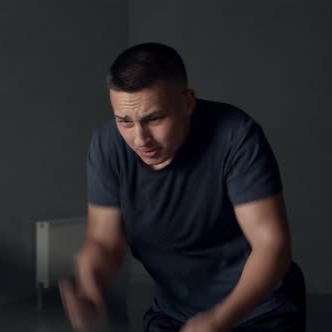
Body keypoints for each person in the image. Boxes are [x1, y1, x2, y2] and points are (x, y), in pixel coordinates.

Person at [59, 42, 305, 332]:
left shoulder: (236, 134)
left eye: (154, 119)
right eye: (124, 121)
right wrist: (92, 287)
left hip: (259, 308)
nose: (140, 139)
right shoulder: (107, 145)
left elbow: (271, 245)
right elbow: (104, 241)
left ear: (188, 102)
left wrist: (218, 320)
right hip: (175, 313)